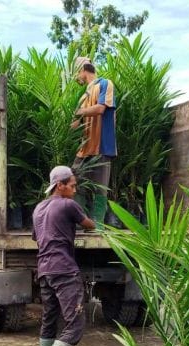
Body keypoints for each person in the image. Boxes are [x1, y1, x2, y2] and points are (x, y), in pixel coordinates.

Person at [32, 165, 96, 346]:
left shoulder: (39, 208)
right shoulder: (68, 205)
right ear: (60, 185)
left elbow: (37, 237)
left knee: (50, 318)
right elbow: (89, 224)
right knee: (75, 323)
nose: (75, 190)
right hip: (64, 269)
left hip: (45, 270)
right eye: (73, 185)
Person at [70, 56, 117, 228]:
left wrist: (78, 112)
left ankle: (97, 224)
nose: (76, 78)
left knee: (100, 187)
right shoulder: (82, 96)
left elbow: (100, 109)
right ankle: (79, 221)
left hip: (102, 144)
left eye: (76, 73)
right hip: (84, 146)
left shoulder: (105, 84)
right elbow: (75, 123)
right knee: (76, 182)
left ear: (83, 70)